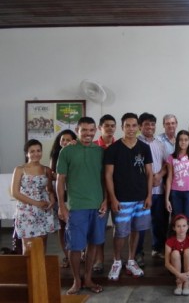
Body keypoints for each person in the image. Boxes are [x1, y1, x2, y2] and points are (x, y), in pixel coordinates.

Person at [56, 117, 107, 295]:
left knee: (94, 243)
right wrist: (62, 206)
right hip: (76, 206)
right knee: (75, 246)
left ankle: (88, 278)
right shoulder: (67, 152)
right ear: (77, 130)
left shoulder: (100, 151)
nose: (88, 133)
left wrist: (106, 199)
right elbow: (60, 180)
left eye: (91, 130)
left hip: (98, 205)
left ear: (96, 131)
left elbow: (105, 178)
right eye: (84, 130)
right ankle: (76, 280)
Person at [105, 113, 153, 281]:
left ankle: (131, 260)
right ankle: (117, 261)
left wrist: (149, 196)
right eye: (128, 126)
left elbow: (149, 173)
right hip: (122, 199)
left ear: (138, 127)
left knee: (136, 230)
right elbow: (108, 176)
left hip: (141, 198)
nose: (131, 129)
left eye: (134, 125)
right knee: (120, 232)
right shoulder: (113, 149)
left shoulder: (144, 148)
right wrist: (113, 198)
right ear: (122, 127)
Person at [11, 139, 57, 253]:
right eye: (32, 151)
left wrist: (51, 198)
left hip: (43, 210)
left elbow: (50, 189)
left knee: (42, 244)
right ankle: (27, 271)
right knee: (27, 246)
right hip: (26, 210)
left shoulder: (46, 169)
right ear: (27, 153)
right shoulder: (20, 169)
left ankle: (41, 270)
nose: (36, 154)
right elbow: (15, 192)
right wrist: (36, 203)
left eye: (38, 151)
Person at [135, 112, 168, 265]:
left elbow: (167, 165)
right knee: (141, 224)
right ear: (140, 126)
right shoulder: (135, 143)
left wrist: (159, 175)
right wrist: (147, 180)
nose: (150, 127)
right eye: (146, 124)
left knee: (159, 222)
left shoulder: (160, 144)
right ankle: (138, 252)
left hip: (159, 190)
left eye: (152, 124)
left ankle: (157, 248)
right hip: (142, 191)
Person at [92, 114, 117, 273]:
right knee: (99, 230)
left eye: (112, 125)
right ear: (100, 128)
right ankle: (99, 260)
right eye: (106, 125)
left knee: (119, 229)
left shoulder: (119, 146)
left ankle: (117, 259)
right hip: (98, 195)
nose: (110, 128)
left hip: (117, 195)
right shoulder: (93, 146)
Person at [49, 129, 77, 268]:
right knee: (62, 227)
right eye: (62, 140)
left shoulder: (76, 152)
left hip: (74, 195)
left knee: (76, 225)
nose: (65, 142)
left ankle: (79, 253)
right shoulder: (55, 155)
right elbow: (53, 175)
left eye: (68, 139)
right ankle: (66, 255)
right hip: (60, 195)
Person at [165, 130, 189, 221]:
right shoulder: (171, 157)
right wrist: (166, 199)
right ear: (177, 141)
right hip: (175, 192)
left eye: (186, 140)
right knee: (176, 218)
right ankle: (176, 235)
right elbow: (169, 178)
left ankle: (188, 235)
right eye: (181, 140)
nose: (183, 142)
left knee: (188, 218)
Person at [164, 214, 189, 296]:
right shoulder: (170, 241)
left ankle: (187, 282)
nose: (181, 229)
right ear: (174, 228)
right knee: (175, 253)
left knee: (188, 251)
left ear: (188, 227)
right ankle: (179, 284)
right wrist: (180, 275)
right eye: (178, 226)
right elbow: (167, 263)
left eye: (184, 226)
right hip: (175, 270)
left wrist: (186, 276)